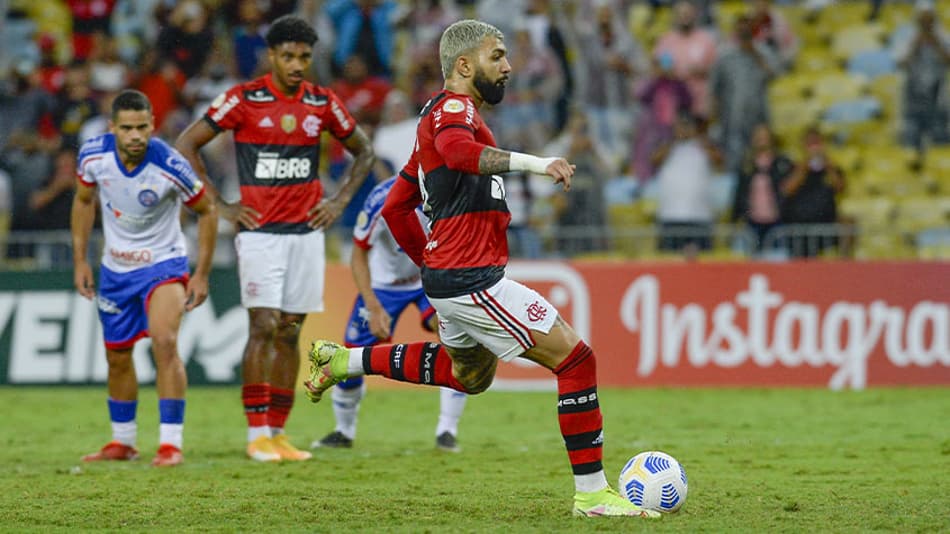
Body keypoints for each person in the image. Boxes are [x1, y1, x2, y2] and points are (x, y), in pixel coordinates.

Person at [303, 19, 660, 519]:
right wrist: (539, 164)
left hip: (451, 277)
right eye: (498, 56)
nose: (508, 66)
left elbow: (396, 207)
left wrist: (429, 259)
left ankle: (343, 362)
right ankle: (593, 495)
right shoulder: (452, 111)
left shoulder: (438, 119)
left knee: (468, 376)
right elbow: (457, 154)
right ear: (465, 65)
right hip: (473, 278)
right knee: (577, 361)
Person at [174, 15, 375, 463]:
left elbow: (365, 150)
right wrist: (219, 205)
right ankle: (256, 434)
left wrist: (340, 202)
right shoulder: (243, 100)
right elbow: (187, 144)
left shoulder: (322, 102)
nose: (298, 64)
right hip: (259, 234)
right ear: (272, 56)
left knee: (289, 331)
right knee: (263, 326)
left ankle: (279, 434)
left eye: (304, 56)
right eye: (289, 56)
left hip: (306, 235)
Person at [72, 89, 217, 467]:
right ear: (112, 128)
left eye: (142, 128)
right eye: (127, 128)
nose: (135, 136)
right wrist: (80, 261)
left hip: (163, 264)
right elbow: (84, 202)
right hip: (116, 269)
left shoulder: (170, 163)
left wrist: (200, 274)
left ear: (153, 125)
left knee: (164, 341)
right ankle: (123, 442)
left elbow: (208, 211)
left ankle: (171, 444)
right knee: (117, 355)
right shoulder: (93, 156)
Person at [312, 176, 468, 451]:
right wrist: (373, 307)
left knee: (457, 344)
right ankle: (343, 431)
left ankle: (447, 430)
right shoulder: (380, 200)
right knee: (351, 354)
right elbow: (359, 254)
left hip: (430, 279)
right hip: (383, 286)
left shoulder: (452, 191)